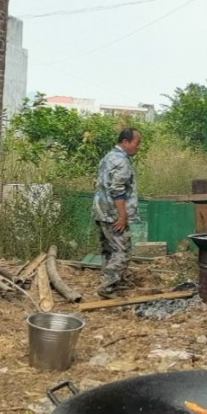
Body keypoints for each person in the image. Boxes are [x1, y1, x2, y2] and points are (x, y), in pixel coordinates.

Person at [92, 127, 142, 298]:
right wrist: (122, 215)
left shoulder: (108, 157)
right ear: (125, 142)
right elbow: (117, 190)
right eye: (137, 142)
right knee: (123, 251)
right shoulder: (122, 162)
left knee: (108, 250)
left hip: (100, 210)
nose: (139, 146)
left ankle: (110, 280)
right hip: (113, 214)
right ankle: (107, 287)